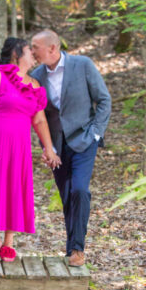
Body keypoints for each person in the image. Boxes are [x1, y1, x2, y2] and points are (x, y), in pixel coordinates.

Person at [0, 37, 61, 263]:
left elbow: (40, 121)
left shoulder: (34, 84)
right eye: (29, 50)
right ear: (17, 54)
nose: (33, 54)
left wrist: (49, 149)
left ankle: (9, 242)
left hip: (18, 148)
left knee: (13, 189)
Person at [30, 30, 111, 267]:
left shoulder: (82, 65)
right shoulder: (36, 76)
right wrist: (46, 147)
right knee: (67, 196)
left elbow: (104, 100)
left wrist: (96, 132)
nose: (32, 51)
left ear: (52, 48)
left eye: (36, 47)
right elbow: (38, 116)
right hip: (56, 147)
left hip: (84, 140)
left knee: (79, 191)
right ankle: (71, 250)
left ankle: (78, 249)